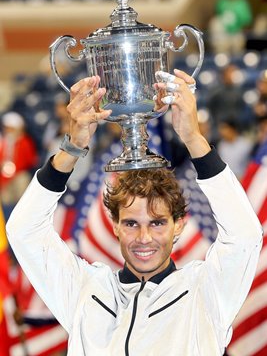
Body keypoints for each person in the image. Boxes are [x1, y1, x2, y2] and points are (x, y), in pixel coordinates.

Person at [6, 70, 263, 355]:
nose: (144, 237)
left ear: (178, 225)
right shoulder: (84, 290)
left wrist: (193, 139)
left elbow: (245, 235)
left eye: (157, 223)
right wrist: (72, 147)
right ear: (114, 225)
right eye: (130, 223)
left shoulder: (206, 291)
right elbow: (23, 231)